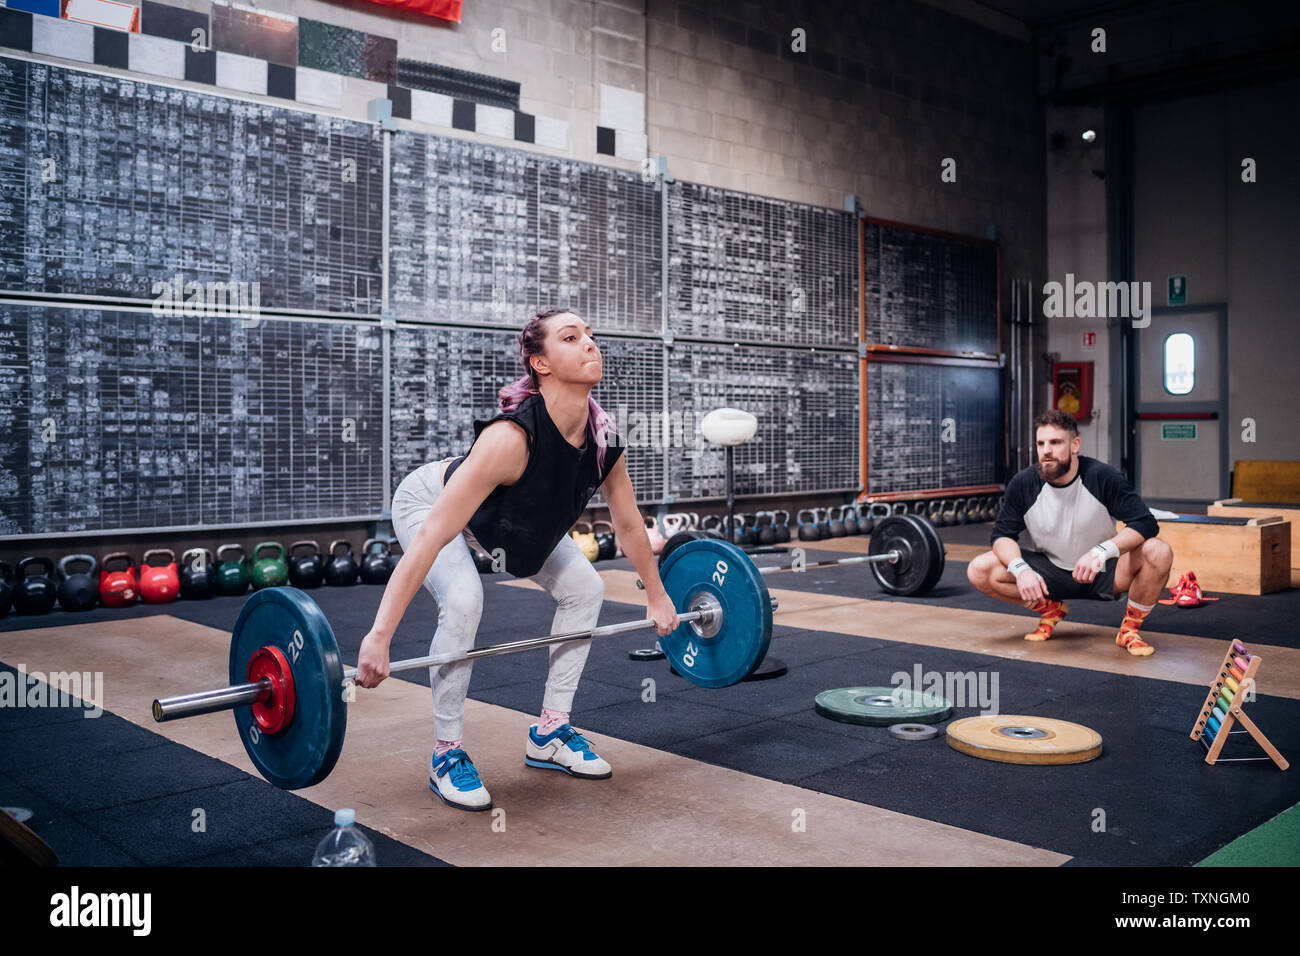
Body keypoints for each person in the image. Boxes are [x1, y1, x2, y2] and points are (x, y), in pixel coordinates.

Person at [353, 307, 679, 811]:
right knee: (464, 599)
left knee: (586, 589)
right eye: (571, 338)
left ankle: (550, 732)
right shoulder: (509, 440)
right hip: (431, 505)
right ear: (540, 362)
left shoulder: (604, 437)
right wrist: (378, 637)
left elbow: (631, 524)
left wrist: (657, 596)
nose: (591, 344)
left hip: (512, 524)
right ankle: (447, 753)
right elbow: (433, 534)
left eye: (591, 336)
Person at [966, 410, 1173, 656]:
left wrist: (1102, 552)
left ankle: (1129, 630)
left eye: (1055, 442)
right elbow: (1002, 535)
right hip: (1050, 573)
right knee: (979, 569)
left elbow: (1145, 523)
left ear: (1075, 445)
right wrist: (1020, 570)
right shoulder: (1024, 483)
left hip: (1103, 571)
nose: (1046, 451)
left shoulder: (1102, 476)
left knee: (1159, 551)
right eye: (1040, 443)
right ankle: (1050, 609)